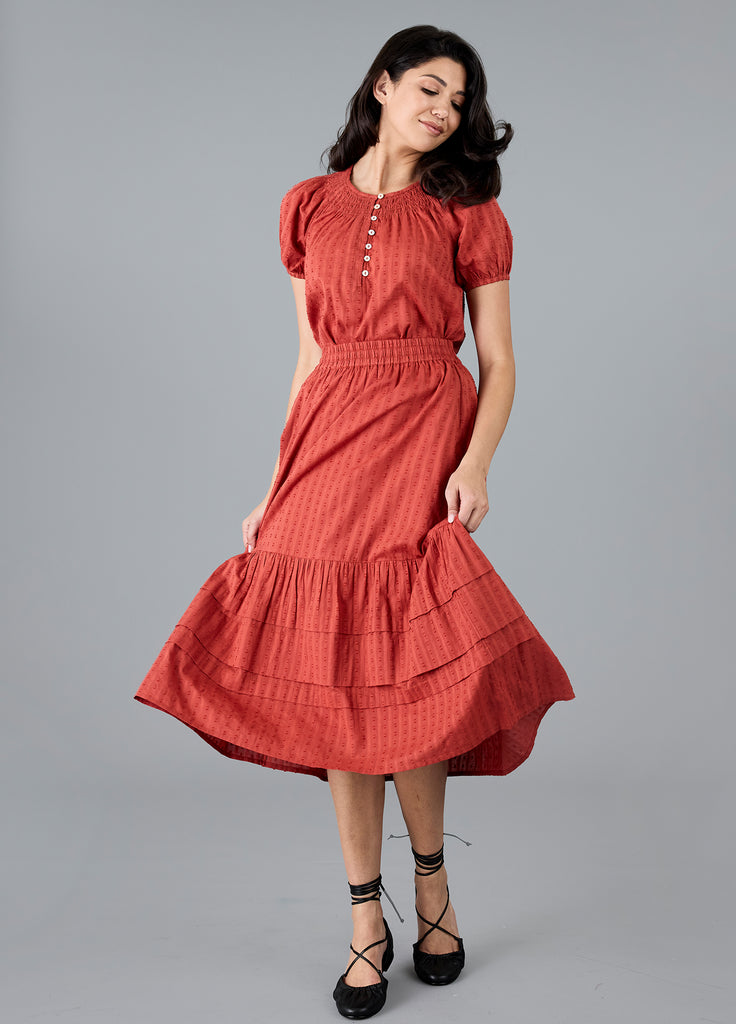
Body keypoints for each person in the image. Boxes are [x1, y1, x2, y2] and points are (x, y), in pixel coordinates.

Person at [134, 24, 575, 1020]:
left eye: (458, 100)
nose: (444, 110)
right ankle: (367, 918)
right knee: (337, 675)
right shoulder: (305, 207)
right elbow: (308, 362)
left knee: (403, 664)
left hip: (425, 427)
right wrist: (277, 481)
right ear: (380, 85)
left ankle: (433, 885)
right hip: (331, 438)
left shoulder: (469, 209)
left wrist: (478, 461)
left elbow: (499, 363)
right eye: (428, 87)